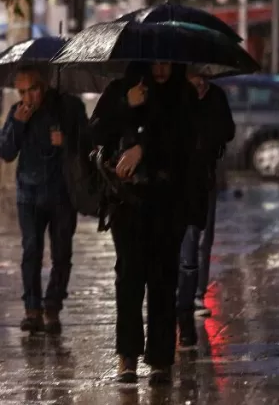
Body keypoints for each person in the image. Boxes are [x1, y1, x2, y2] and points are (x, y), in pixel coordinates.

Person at [90, 62, 196, 384]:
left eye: (167, 61)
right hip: (127, 201)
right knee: (129, 277)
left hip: (167, 201)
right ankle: (128, 356)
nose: (161, 69)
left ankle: (161, 359)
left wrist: (143, 148)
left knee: (163, 279)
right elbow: (95, 132)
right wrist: (126, 104)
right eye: (155, 62)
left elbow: (186, 140)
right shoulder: (120, 91)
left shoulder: (182, 94)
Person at [0, 64, 87, 334]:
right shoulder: (18, 112)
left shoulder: (69, 107)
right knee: (31, 250)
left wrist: (66, 141)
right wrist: (18, 123)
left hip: (62, 193)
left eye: (33, 90)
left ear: (45, 85)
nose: (28, 98)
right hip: (29, 193)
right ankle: (32, 309)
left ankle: (52, 307)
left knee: (61, 252)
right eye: (22, 92)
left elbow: (89, 143)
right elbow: (6, 152)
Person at [177, 73, 234, 346]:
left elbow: (228, 131)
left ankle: (197, 293)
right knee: (185, 238)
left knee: (202, 236)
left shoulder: (216, 97)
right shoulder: (178, 95)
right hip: (180, 177)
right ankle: (184, 296)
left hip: (205, 177)